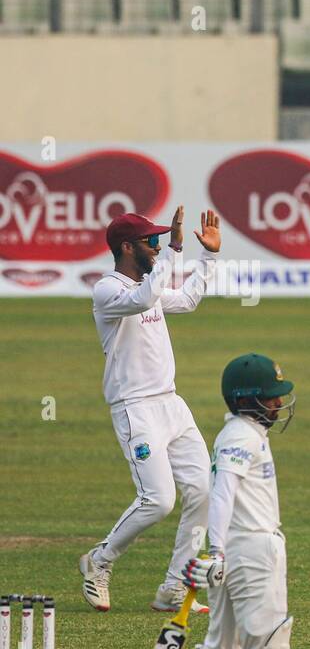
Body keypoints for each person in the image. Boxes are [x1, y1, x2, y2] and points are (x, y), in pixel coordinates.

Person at [158, 354, 297, 649]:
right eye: (271, 398)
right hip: (252, 552)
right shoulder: (241, 434)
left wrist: (214, 553)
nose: (278, 405)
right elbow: (222, 492)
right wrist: (215, 550)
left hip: (234, 553)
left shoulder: (240, 431)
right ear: (249, 400)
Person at [80, 208, 222, 615]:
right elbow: (143, 298)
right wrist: (176, 250)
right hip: (135, 409)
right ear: (127, 247)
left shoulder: (149, 285)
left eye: (161, 241)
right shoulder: (108, 290)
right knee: (158, 501)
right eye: (151, 242)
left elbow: (190, 299)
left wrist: (207, 257)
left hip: (172, 405)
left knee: (203, 491)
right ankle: (100, 560)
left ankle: (175, 587)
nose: (158, 247)